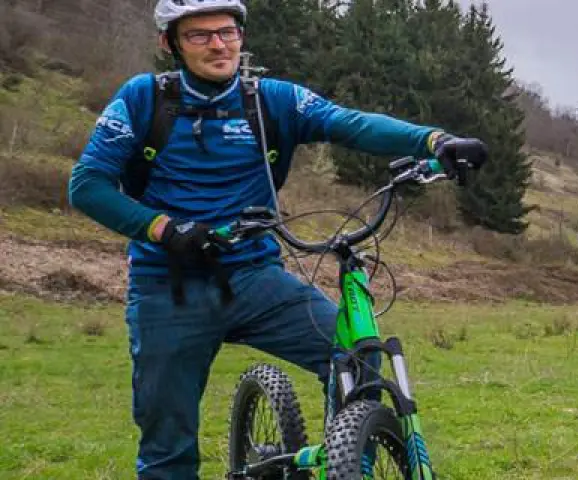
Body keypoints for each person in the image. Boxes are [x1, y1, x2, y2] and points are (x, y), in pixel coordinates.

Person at [65, 1, 489, 477]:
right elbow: (87, 185)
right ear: (171, 44)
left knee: (359, 358)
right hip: (169, 285)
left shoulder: (269, 100)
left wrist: (434, 141)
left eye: (226, 32)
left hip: (255, 277)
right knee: (168, 449)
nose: (218, 44)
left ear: (241, 35)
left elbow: (349, 123)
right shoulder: (143, 99)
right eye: (199, 36)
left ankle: (345, 462)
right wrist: (164, 229)